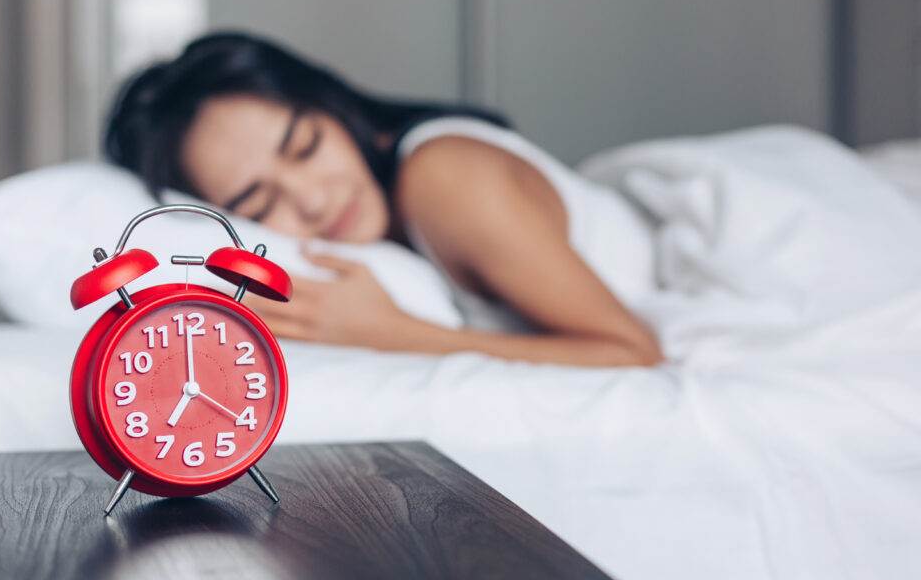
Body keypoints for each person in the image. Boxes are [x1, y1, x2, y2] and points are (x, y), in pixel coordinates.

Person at [106, 31, 662, 367]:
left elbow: (631, 352)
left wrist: (394, 335)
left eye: (305, 146)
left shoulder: (445, 177)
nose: (313, 199)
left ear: (335, 105)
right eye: (257, 205)